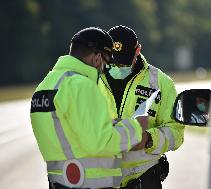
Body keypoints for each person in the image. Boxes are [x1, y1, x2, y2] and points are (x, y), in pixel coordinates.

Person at [30, 27, 148, 189]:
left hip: (58, 181)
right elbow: (101, 142)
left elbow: (70, 132)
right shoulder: (82, 85)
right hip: (90, 182)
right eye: (106, 64)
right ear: (98, 58)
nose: (104, 70)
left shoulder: (46, 85)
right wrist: (135, 127)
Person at [98, 25, 185, 189]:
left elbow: (176, 132)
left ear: (138, 50)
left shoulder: (160, 83)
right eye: (113, 60)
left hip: (143, 179)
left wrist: (148, 139)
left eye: (124, 60)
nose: (118, 67)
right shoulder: (89, 80)